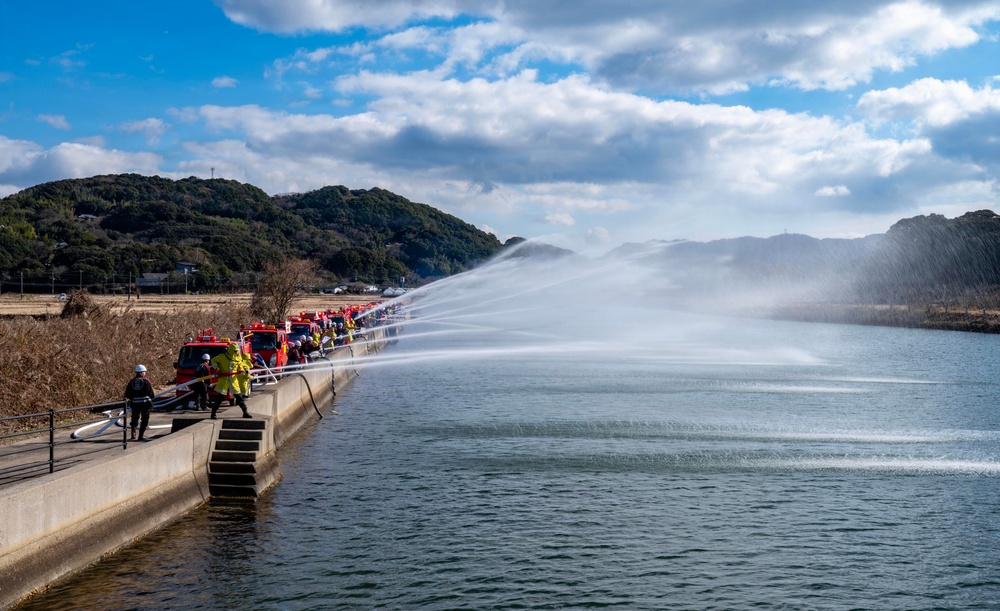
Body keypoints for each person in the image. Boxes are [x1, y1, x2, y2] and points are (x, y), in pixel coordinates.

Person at [209, 342, 252, 419]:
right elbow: (213, 360)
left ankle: (245, 412)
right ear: (231, 351)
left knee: (239, 398)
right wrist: (216, 367)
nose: (237, 352)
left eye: (237, 351)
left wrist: (241, 370)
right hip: (224, 380)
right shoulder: (222, 357)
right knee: (220, 398)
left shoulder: (238, 358)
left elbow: (240, 366)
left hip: (233, 381)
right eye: (235, 351)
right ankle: (213, 413)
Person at [124, 364, 155, 440]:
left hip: (135, 404)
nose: (145, 373)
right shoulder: (146, 381)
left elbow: (127, 394)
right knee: (144, 419)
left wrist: (133, 399)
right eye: (144, 372)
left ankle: (133, 434)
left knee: (134, 419)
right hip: (145, 404)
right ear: (142, 373)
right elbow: (151, 394)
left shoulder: (131, 382)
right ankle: (140, 436)